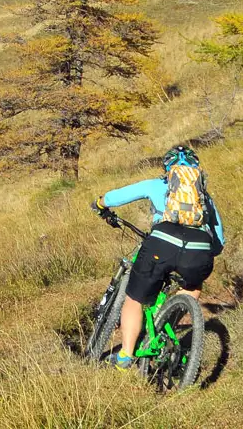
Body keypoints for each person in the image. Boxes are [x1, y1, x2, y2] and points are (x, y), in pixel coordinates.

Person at [92, 145, 225, 370]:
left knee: (134, 299)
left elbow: (116, 197)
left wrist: (100, 204)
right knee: (192, 287)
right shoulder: (204, 198)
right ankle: (168, 320)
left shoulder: (158, 184)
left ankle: (125, 355)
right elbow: (219, 242)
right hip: (199, 250)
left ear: (168, 168)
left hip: (162, 243)